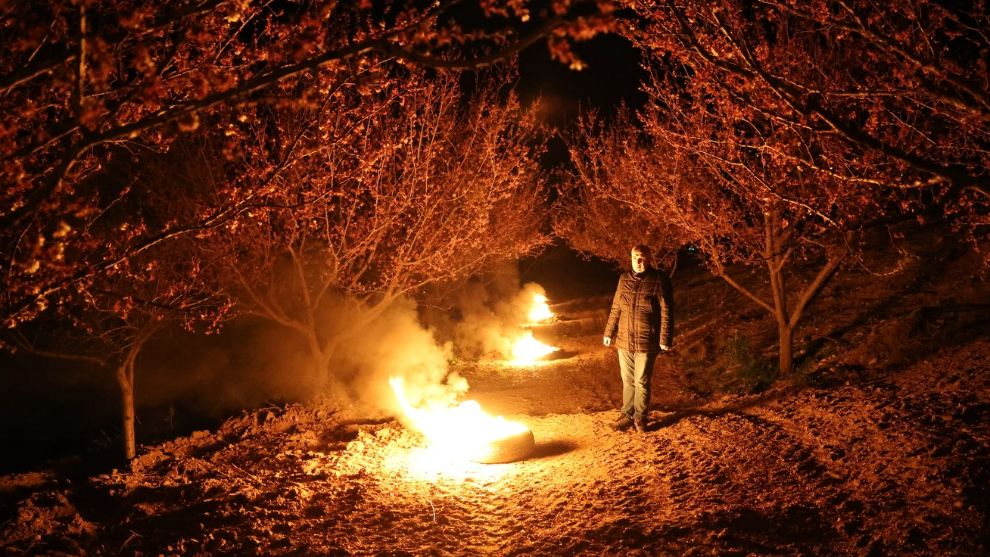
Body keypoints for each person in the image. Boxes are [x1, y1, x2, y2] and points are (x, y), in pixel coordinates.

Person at [603, 245, 674, 432]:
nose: (639, 261)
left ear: (649, 258)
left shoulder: (659, 279)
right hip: (624, 340)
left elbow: (667, 311)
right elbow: (616, 308)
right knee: (627, 380)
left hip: (646, 340)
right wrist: (609, 332)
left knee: (641, 381)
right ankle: (627, 415)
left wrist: (665, 338)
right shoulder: (623, 279)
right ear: (631, 257)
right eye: (635, 257)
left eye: (642, 257)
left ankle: (640, 419)